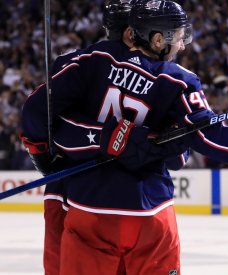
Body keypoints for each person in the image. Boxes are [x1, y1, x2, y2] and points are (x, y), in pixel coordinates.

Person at [21, 1, 228, 274]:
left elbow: (37, 115)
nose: (182, 45)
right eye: (177, 36)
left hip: (88, 206)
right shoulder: (178, 79)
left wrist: (45, 155)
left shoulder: (87, 61)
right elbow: (205, 135)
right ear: (155, 39)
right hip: (151, 209)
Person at [20, 1, 184, 274]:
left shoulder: (81, 61)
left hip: (73, 192)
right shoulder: (165, 76)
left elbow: (36, 114)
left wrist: (44, 158)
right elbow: (179, 155)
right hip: (140, 201)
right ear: (133, 32)